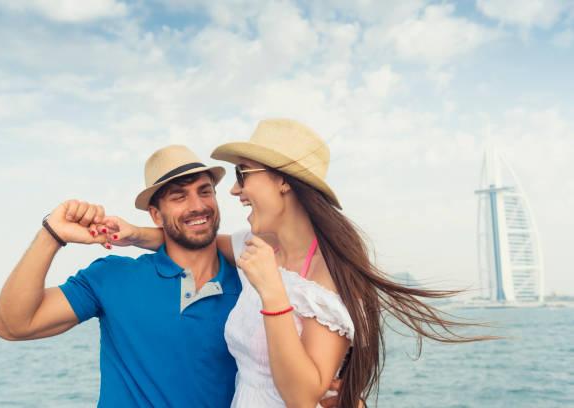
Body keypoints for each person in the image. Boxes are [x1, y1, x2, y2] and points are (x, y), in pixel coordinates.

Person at [103, 119, 493, 407]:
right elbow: (196, 240)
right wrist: (136, 234)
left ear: (283, 181)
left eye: (243, 175)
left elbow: (303, 397)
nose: (236, 190)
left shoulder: (327, 276)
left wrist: (273, 293)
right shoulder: (257, 248)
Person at [0, 146, 241, 407]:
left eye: (205, 191)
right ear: (156, 215)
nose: (198, 206)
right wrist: (52, 235)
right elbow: (10, 325)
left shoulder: (251, 284)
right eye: (179, 197)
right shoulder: (113, 276)